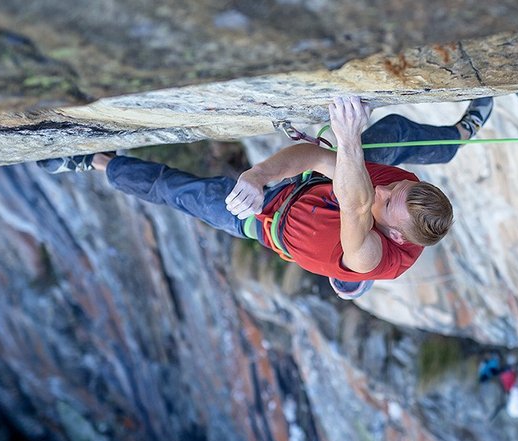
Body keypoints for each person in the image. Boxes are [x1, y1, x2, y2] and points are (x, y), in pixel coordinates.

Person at [38, 96, 493, 299]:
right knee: (389, 135)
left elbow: (356, 206)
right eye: (398, 187)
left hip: (262, 224)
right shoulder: (396, 187)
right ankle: (459, 134)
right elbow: (317, 156)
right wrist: (257, 176)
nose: (389, 187)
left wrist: (348, 136)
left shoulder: (378, 254)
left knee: (177, 192)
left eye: (391, 200)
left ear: (393, 231)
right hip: (291, 193)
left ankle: (93, 161)